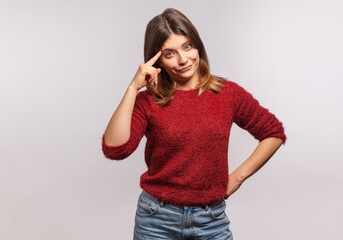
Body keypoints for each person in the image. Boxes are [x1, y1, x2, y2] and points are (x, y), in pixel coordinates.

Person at [102, 8, 286, 240]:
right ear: (155, 59)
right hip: (156, 219)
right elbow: (116, 149)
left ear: (197, 46)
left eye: (187, 47)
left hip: (211, 220)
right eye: (169, 54)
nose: (182, 60)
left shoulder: (227, 94)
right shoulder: (148, 101)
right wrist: (132, 89)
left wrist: (237, 177)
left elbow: (274, 133)